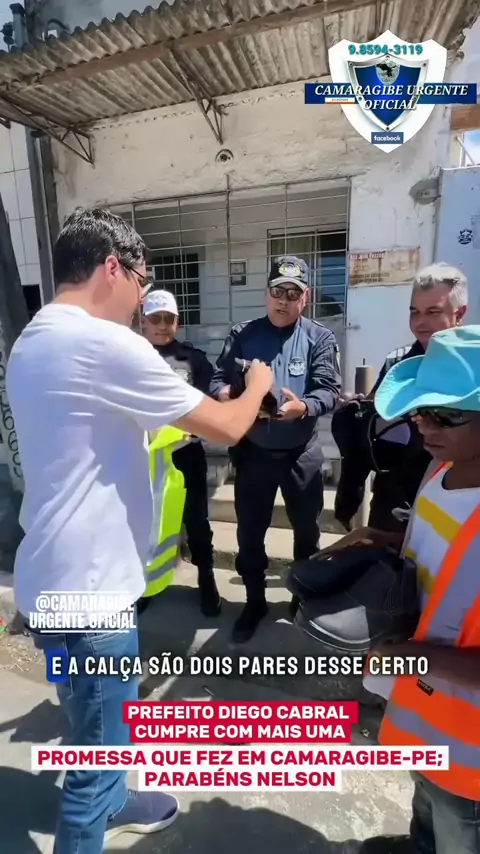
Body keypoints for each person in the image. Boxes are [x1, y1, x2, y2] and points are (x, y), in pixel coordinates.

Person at [6, 207, 273, 854]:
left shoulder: (33, 339)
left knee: (91, 715)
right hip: (93, 597)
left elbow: (89, 432)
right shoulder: (106, 343)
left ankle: (118, 799)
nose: (141, 296)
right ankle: (98, 812)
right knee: (94, 758)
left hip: (50, 585)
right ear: (111, 268)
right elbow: (228, 426)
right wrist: (258, 383)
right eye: (141, 278)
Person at [341, 325, 480, 853]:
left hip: (471, 756)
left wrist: (414, 657)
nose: (424, 424)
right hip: (424, 707)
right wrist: (385, 540)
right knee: (426, 804)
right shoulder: (442, 470)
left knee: (458, 825)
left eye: (446, 414)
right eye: (421, 410)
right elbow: (443, 546)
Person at [210, 255, 342, 643]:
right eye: (277, 291)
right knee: (250, 534)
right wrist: (231, 396)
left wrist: (304, 407)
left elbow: (329, 390)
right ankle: (255, 602)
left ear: (306, 297)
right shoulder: (243, 334)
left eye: (293, 293)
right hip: (253, 454)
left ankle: (303, 599)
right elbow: (217, 380)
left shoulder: (319, 337)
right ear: (267, 293)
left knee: (307, 534)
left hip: (301, 453)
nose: (283, 300)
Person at [332, 263, 468, 532]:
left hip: (455, 500)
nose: (420, 322)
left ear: (459, 313)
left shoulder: (472, 368)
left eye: (433, 312)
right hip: (394, 504)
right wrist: (361, 415)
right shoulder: (397, 365)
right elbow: (375, 432)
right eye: (414, 311)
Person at [140, 289, 220, 617]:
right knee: (146, 523)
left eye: (168, 318)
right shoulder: (130, 356)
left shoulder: (193, 360)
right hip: (143, 459)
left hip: (185, 455)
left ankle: (206, 577)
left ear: (177, 321)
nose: (162, 325)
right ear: (143, 321)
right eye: (155, 318)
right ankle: (146, 583)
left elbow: (209, 402)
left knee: (196, 520)